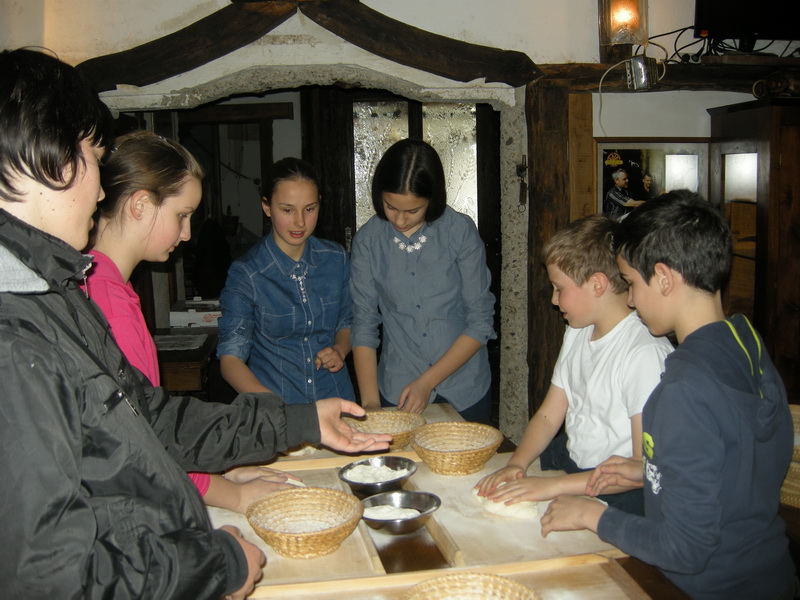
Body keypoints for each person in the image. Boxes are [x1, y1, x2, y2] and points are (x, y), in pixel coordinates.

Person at [0, 48, 390, 599]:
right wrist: (212, 565)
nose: (100, 188)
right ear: (53, 159)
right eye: (93, 156)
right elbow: (49, 574)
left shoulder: (54, 297)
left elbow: (153, 423)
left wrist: (298, 421)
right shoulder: (16, 333)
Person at [540, 191, 795, 600]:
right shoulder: (746, 343)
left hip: (707, 587)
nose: (630, 298)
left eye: (632, 283)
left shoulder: (682, 391)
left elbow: (684, 550)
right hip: (767, 574)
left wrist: (593, 515)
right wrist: (649, 470)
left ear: (663, 277)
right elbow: (731, 465)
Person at [86, 130, 299, 514]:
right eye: (181, 216)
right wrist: (231, 495)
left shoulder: (108, 285)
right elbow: (139, 445)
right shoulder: (109, 305)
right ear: (140, 205)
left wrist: (220, 472)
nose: (186, 235)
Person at [475, 214, 673, 514]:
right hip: (574, 462)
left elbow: (642, 468)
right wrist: (517, 463)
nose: (554, 301)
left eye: (559, 288)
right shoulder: (577, 332)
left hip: (620, 492)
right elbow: (548, 416)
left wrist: (552, 487)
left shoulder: (643, 353)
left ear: (597, 285)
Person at [350, 138, 496, 423]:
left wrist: (427, 382)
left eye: (413, 211)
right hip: (398, 385)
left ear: (433, 199)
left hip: (464, 386)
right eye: (391, 207)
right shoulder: (368, 241)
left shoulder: (459, 231)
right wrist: (371, 404)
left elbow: (480, 320)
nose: (400, 220)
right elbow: (364, 323)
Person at [217, 157, 355, 404]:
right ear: (267, 207)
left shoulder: (336, 259)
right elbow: (231, 359)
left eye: (309, 209)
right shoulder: (247, 273)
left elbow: (348, 320)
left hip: (335, 399)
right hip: (278, 405)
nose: (300, 222)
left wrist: (340, 349)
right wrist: (274, 407)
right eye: (287, 210)